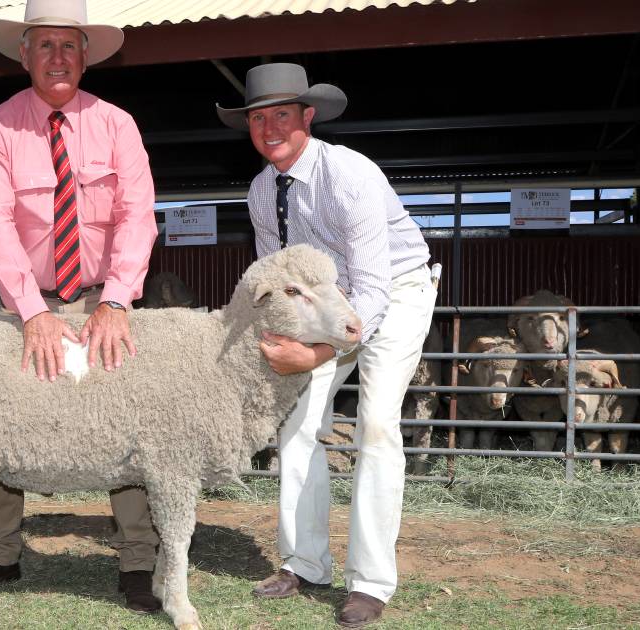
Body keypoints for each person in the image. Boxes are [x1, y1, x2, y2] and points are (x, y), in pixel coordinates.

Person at [0, 0, 161, 614]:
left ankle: (138, 562)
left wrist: (119, 299)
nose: (57, 57)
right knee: (2, 416)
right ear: (23, 55)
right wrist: (32, 313)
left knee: (126, 419)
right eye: (43, 45)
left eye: (69, 45)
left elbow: (136, 216)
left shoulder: (117, 124)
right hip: (25, 301)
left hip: (104, 298)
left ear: (87, 54)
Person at [216, 63, 436, 627]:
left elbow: (374, 288)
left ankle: (370, 583)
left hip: (397, 289)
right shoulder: (263, 191)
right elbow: (278, 278)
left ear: (307, 118)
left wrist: (315, 355)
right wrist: (271, 339)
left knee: (378, 423)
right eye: (258, 117)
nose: (269, 128)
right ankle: (304, 563)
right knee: (298, 422)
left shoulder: (349, 175)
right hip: (327, 303)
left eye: (281, 115)